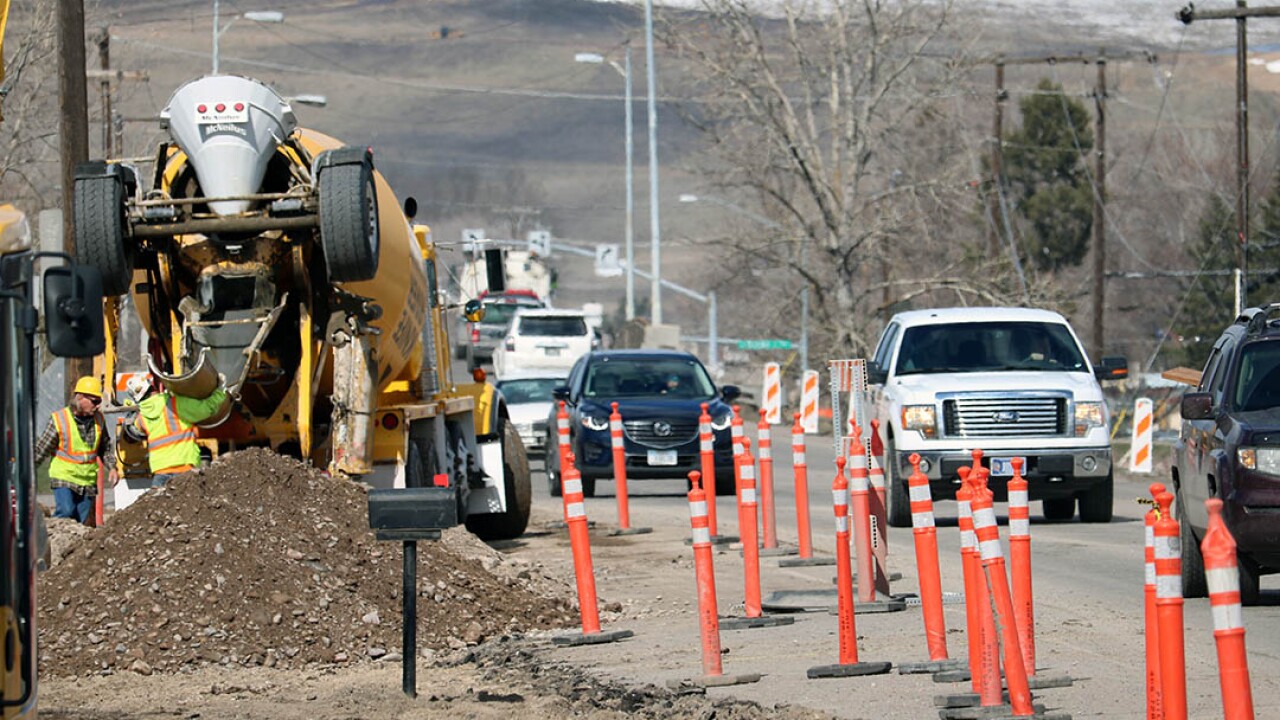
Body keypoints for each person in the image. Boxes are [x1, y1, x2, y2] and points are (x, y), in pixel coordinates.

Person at [34, 376, 117, 525]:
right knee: (66, 512)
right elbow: (41, 449)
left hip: (87, 481)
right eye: (95, 401)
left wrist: (112, 467)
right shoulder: (59, 419)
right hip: (64, 477)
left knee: (82, 522)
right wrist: (25, 472)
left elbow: (105, 448)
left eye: (99, 402)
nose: (97, 406)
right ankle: (55, 542)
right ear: (80, 398)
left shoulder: (99, 420)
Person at [121, 373, 228, 487]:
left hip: (160, 473)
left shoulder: (141, 418)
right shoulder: (176, 404)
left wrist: (132, 408)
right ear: (152, 386)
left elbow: (133, 430)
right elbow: (207, 408)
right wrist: (220, 391)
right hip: (185, 470)